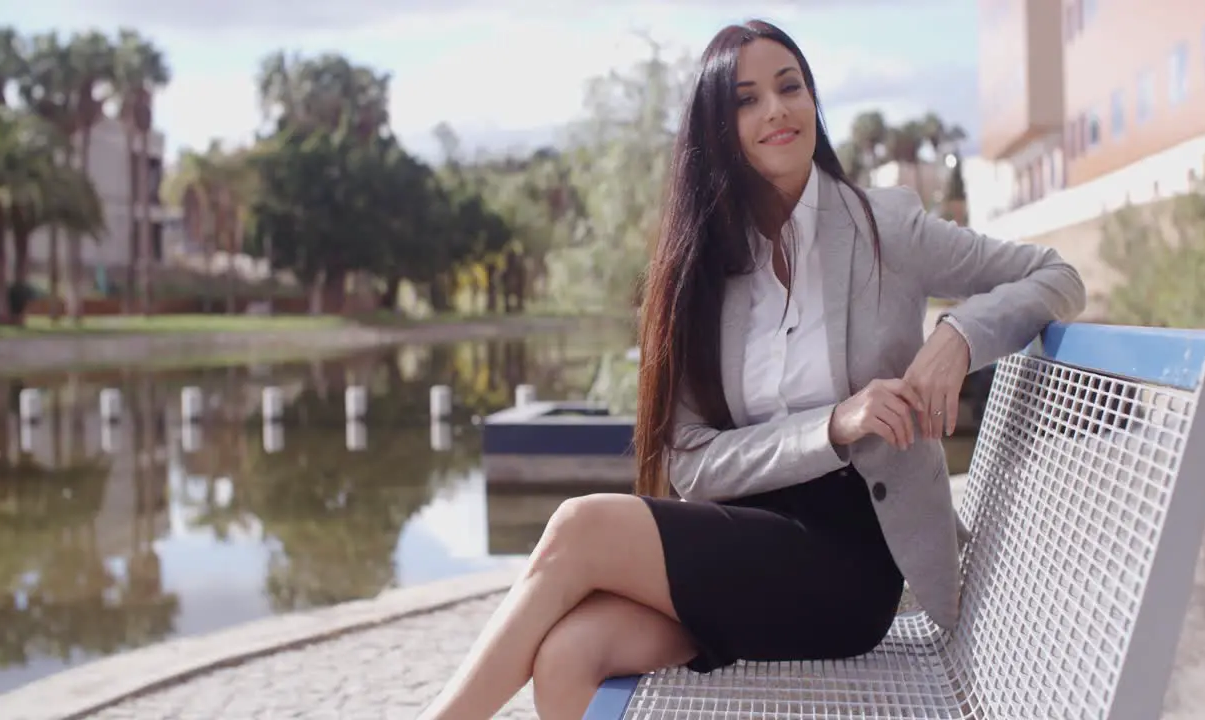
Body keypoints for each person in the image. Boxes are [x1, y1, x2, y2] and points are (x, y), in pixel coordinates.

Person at [418, 19, 1085, 720]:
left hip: (849, 562)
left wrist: (958, 334)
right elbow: (693, 463)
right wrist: (832, 423)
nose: (775, 109)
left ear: (812, 101)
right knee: (568, 654)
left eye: (789, 87)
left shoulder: (884, 226)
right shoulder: (703, 270)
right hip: (740, 546)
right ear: (718, 128)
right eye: (746, 99)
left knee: (580, 528)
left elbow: (1055, 273)